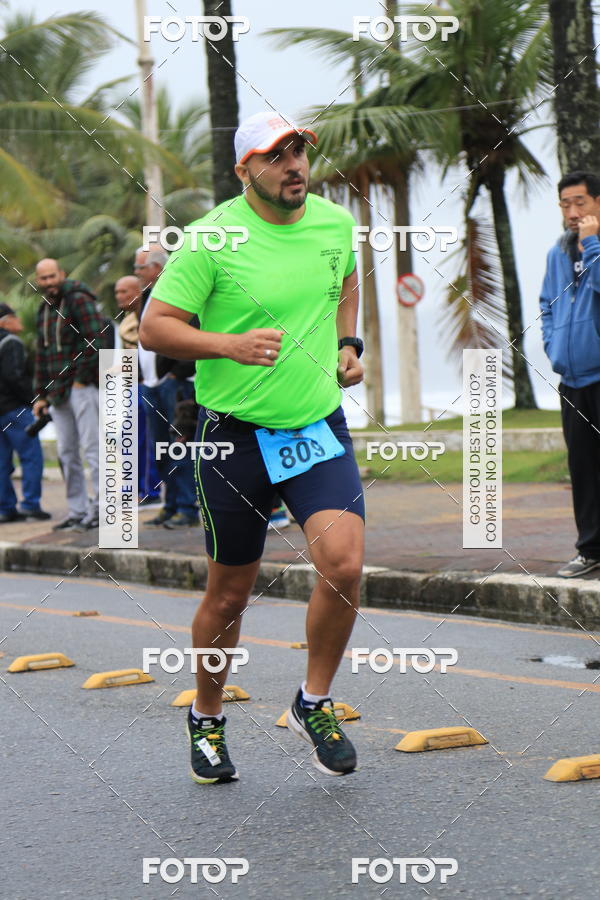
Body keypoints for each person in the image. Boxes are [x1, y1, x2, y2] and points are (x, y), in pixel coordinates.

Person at [140, 110, 365, 784]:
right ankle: (207, 716)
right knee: (230, 593)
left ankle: (312, 703)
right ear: (245, 171)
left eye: (299, 152)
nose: (294, 166)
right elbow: (155, 327)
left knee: (345, 565)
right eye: (276, 156)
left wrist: (348, 344)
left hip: (314, 427)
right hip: (233, 437)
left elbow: (346, 282)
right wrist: (228, 345)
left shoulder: (335, 224)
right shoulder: (212, 240)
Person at [540, 171, 600, 578]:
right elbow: (546, 305)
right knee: (583, 469)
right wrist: (553, 345)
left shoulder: (593, 247)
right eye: (565, 204)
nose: (573, 212)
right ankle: (591, 549)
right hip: (573, 380)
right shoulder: (557, 254)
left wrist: (592, 244)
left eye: (580, 202)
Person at [33, 259, 109, 531]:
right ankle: (77, 511)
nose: (48, 282)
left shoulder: (78, 299)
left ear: (62, 274)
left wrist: (81, 379)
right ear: (38, 280)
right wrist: (41, 395)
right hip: (57, 392)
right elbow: (42, 355)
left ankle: (102, 510)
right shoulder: (44, 308)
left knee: (93, 449)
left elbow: (97, 339)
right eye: (43, 278)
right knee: (66, 453)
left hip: (81, 387)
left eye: (52, 276)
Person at [135, 246, 199, 527]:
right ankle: (170, 505)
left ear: (157, 268)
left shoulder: (180, 291)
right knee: (160, 448)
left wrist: (176, 374)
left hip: (174, 383)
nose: (137, 273)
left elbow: (192, 333)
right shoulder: (149, 295)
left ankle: (187, 508)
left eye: (140, 268)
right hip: (152, 384)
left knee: (179, 446)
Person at [0, 303, 50, 523]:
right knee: (31, 457)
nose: (20, 321)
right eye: (15, 316)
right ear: (5, 321)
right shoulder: (11, 342)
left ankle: (5, 508)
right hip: (15, 410)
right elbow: (14, 376)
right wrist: (34, 399)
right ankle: (30, 505)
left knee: (1, 461)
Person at [114, 275, 160, 506]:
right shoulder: (128, 319)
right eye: (117, 292)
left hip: (145, 383)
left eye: (125, 291)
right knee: (131, 437)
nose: (120, 296)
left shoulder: (147, 316)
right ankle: (134, 487)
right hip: (132, 385)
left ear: (138, 292)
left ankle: (149, 491)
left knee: (145, 438)